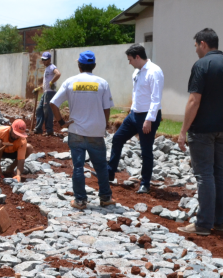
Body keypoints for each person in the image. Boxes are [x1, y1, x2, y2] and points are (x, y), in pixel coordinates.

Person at [177, 28, 223, 236]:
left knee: (204, 174)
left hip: (203, 130)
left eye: (196, 45)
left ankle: (203, 224)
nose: (195, 49)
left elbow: (194, 101)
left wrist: (183, 131)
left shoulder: (201, 65)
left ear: (203, 44)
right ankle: (219, 221)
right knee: (220, 172)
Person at [49, 50, 115, 210]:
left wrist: (61, 122)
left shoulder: (70, 82)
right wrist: (103, 124)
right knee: (101, 166)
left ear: (79, 65)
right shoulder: (102, 83)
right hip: (96, 133)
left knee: (78, 167)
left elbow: (53, 103)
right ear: (94, 65)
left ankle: (80, 201)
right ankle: (105, 198)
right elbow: (107, 108)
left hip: (76, 131)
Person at [107, 44, 164, 194]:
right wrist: (131, 111)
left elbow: (156, 98)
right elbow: (137, 94)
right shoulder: (137, 72)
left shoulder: (154, 71)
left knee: (146, 150)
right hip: (134, 115)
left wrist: (149, 119)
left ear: (137, 57)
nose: (129, 63)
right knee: (117, 138)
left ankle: (145, 183)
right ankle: (109, 173)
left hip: (148, 116)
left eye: (130, 59)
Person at [34, 52, 61, 136]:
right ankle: (38, 129)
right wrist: (39, 88)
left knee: (48, 111)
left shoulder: (52, 67)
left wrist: (52, 82)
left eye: (45, 60)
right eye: (43, 59)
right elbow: (46, 83)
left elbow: (58, 74)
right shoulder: (47, 68)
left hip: (50, 93)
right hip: (46, 92)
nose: (44, 61)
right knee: (39, 110)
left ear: (49, 59)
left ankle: (49, 130)